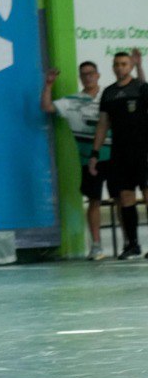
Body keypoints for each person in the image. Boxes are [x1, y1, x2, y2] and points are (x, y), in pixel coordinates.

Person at [42, 63, 112, 260]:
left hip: (115, 156)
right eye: (83, 75)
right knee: (94, 200)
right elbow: (46, 107)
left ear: (98, 75)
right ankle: (96, 246)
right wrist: (48, 85)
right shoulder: (73, 101)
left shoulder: (109, 96)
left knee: (122, 198)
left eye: (91, 73)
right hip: (89, 160)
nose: (88, 77)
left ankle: (129, 244)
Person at [89, 50, 148, 259]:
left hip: (143, 150)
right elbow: (103, 124)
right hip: (120, 153)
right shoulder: (109, 93)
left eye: (124, 64)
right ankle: (132, 244)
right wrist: (94, 153)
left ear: (130, 66)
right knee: (125, 196)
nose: (120, 67)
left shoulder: (141, 88)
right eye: (116, 64)